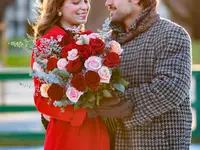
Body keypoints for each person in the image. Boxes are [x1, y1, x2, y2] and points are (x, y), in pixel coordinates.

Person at [30, 0, 131, 149]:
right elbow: (42, 100)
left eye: (86, 1)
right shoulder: (48, 42)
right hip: (68, 134)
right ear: (58, 6)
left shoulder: (90, 40)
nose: (84, 7)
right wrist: (86, 111)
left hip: (98, 131)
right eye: (76, 2)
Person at [94, 0, 192, 149]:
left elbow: (171, 88)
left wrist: (118, 102)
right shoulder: (104, 43)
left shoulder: (171, 33)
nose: (108, 3)